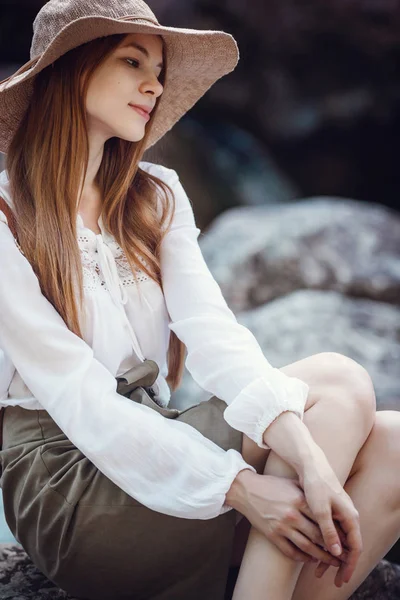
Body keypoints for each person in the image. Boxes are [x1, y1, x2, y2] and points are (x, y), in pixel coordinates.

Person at [0, 1, 399, 599]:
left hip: (159, 438)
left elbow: (213, 334)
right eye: (132, 60)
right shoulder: (5, 213)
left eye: (157, 69)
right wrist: (238, 485)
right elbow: (78, 397)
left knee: (393, 443)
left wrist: (313, 465)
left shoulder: (156, 195)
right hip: (68, 477)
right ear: (72, 70)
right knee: (337, 381)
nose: (154, 85)